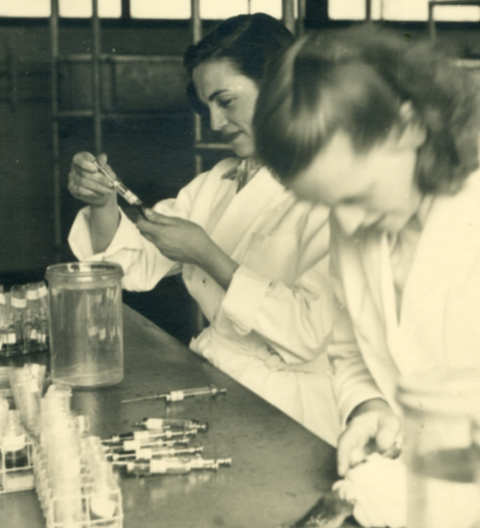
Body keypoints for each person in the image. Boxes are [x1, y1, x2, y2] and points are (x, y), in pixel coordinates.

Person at [254, 25, 480, 475]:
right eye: (328, 204)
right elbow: (351, 350)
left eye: (355, 195)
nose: (345, 223)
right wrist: (369, 407)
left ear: (408, 127)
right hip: (423, 498)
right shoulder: (357, 215)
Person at [66, 14, 340, 446]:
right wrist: (104, 203)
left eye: (226, 101)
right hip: (221, 380)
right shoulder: (220, 182)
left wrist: (208, 255)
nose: (213, 123)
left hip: (297, 413)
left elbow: (310, 334)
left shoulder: (335, 186)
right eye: (206, 106)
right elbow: (134, 265)